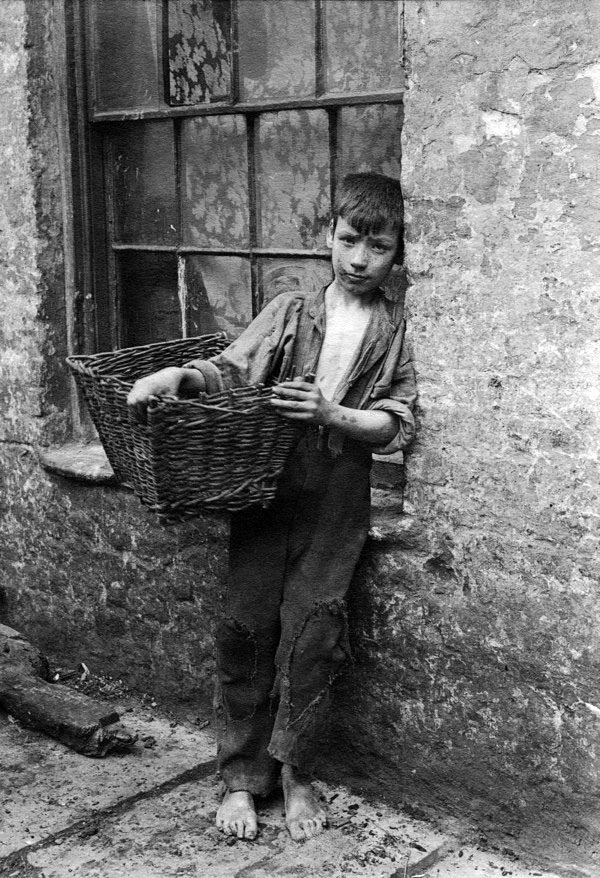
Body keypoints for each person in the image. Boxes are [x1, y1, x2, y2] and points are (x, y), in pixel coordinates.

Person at [127, 173, 417, 842]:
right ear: (328, 238)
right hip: (265, 484)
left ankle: (295, 774)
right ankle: (240, 778)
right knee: (246, 627)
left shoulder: (396, 328)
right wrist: (178, 377)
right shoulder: (290, 310)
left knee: (315, 633)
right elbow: (229, 370)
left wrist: (333, 412)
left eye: (378, 246)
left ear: (396, 254)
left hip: (339, 491)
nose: (360, 259)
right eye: (349, 241)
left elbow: (395, 423)